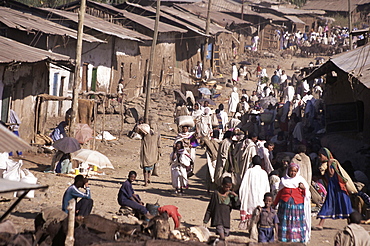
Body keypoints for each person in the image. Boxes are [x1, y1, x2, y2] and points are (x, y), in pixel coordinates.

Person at [315, 147, 354, 230]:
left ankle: (351, 224)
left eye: (320, 156)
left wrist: (329, 165)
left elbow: (331, 174)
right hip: (332, 188)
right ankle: (320, 224)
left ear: (326, 156)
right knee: (328, 203)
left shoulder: (333, 163)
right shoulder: (324, 165)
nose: (319, 157)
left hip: (338, 187)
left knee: (344, 204)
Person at [274, 163, 311, 243]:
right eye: (291, 171)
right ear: (288, 171)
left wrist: (304, 189)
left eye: (295, 171)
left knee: (296, 223)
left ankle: (296, 240)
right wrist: (274, 204)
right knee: (285, 223)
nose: (293, 173)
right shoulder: (283, 180)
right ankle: (284, 239)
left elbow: (307, 195)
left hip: (297, 207)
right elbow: (279, 194)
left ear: (297, 172)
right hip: (285, 206)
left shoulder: (301, 181)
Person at [203, 177, 240, 242]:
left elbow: (237, 206)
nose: (228, 189)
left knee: (225, 235)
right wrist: (206, 220)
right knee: (222, 236)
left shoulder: (230, 196)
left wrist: (236, 197)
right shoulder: (216, 194)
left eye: (229, 187)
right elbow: (210, 207)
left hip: (226, 220)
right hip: (218, 219)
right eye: (226, 187)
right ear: (222, 185)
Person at [239, 156, 270, 229]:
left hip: (250, 198)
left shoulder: (249, 171)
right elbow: (267, 188)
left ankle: (251, 231)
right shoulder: (264, 173)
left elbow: (243, 186)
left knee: (251, 216)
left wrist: (242, 197)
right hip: (261, 199)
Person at [139, 118, 161, 186]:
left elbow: (138, 130)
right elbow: (159, 144)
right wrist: (159, 151)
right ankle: (148, 179)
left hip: (147, 152)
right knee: (149, 167)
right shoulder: (156, 134)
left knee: (146, 168)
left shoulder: (145, 133)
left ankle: (146, 181)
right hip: (153, 152)